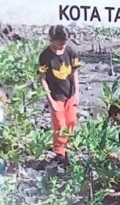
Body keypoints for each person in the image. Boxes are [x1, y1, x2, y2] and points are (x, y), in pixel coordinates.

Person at [38, 25, 80, 158]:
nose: (63, 44)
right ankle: (59, 152)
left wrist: (77, 92)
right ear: (52, 40)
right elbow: (42, 78)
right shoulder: (45, 56)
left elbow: (74, 73)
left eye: (65, 41)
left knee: (71, 121)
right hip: (56, 96)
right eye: (60, 42)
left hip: (70, 93)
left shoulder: (70, 51)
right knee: (59, 124)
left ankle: (70, 148)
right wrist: (49, 100)